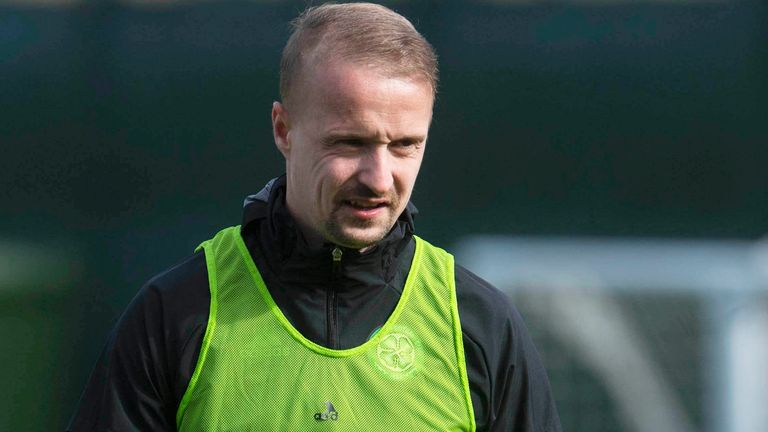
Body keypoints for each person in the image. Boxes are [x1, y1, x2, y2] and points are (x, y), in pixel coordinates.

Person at [67, 3, 561, 431]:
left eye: (405, 145)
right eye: (351, 143)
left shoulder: (479, 324)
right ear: (284, 129)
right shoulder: (175, 316)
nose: (379, 177)